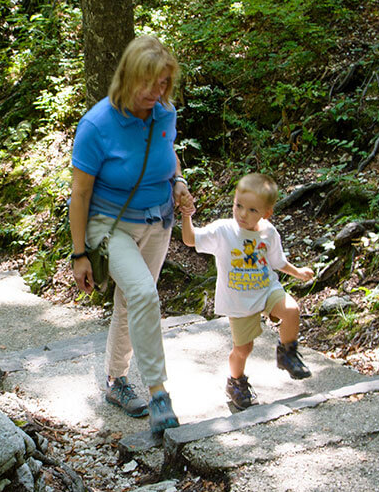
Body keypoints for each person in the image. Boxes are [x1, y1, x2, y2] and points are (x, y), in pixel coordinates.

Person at [69, 34, 194, 436]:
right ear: (127, 76)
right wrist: (79, 254)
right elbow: (80, 193)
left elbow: (167, 153)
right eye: (148, 83)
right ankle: (159, 393)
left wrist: (177, 180)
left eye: (163, 84)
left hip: (158, 222)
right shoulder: (96, 125)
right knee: (142, 294)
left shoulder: (164, 113)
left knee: (131, 303)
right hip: (110, 225)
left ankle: (115, 379)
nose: (155, 93)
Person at [180, 172, 314, 410]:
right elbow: (190, 239)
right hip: (239, 301)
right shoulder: (223, 231)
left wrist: (299, 273)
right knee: (244, 348)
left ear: (266, 213)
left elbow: (278, 262)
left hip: (266, 290)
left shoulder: (269, 233)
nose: (242, 214)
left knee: (292, 310)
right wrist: (186, 215)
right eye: (238, 206)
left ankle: (287, 354)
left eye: (252, 210)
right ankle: (236, 382)